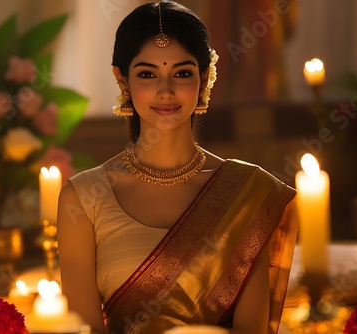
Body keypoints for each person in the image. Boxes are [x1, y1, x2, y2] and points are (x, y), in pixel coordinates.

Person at [57, 1, 298, 333]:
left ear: (205, 77)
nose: (166, 91)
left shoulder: (248, 192)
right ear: (122, 79)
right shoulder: (83, 199)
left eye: (182, 73)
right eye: (147, 74)